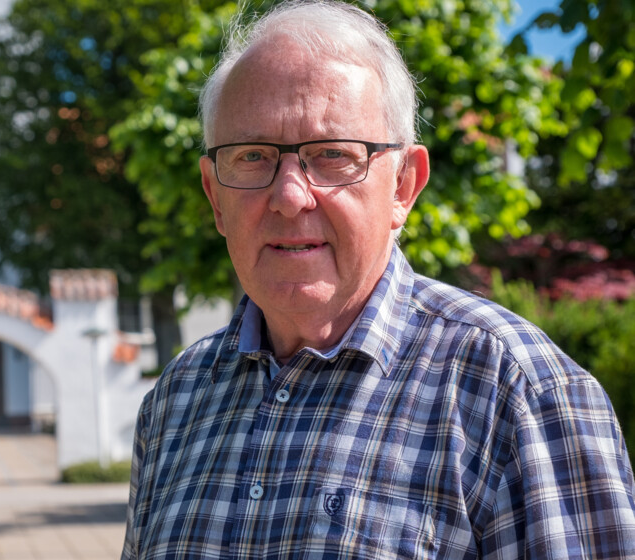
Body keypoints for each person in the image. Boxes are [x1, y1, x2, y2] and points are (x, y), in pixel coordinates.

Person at [120, 1, 635, 558]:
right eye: (251, 156)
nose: (290, 196)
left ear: (404, 186)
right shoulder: (176, 399)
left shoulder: (517, 392)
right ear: (215, 197)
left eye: (332, 155)